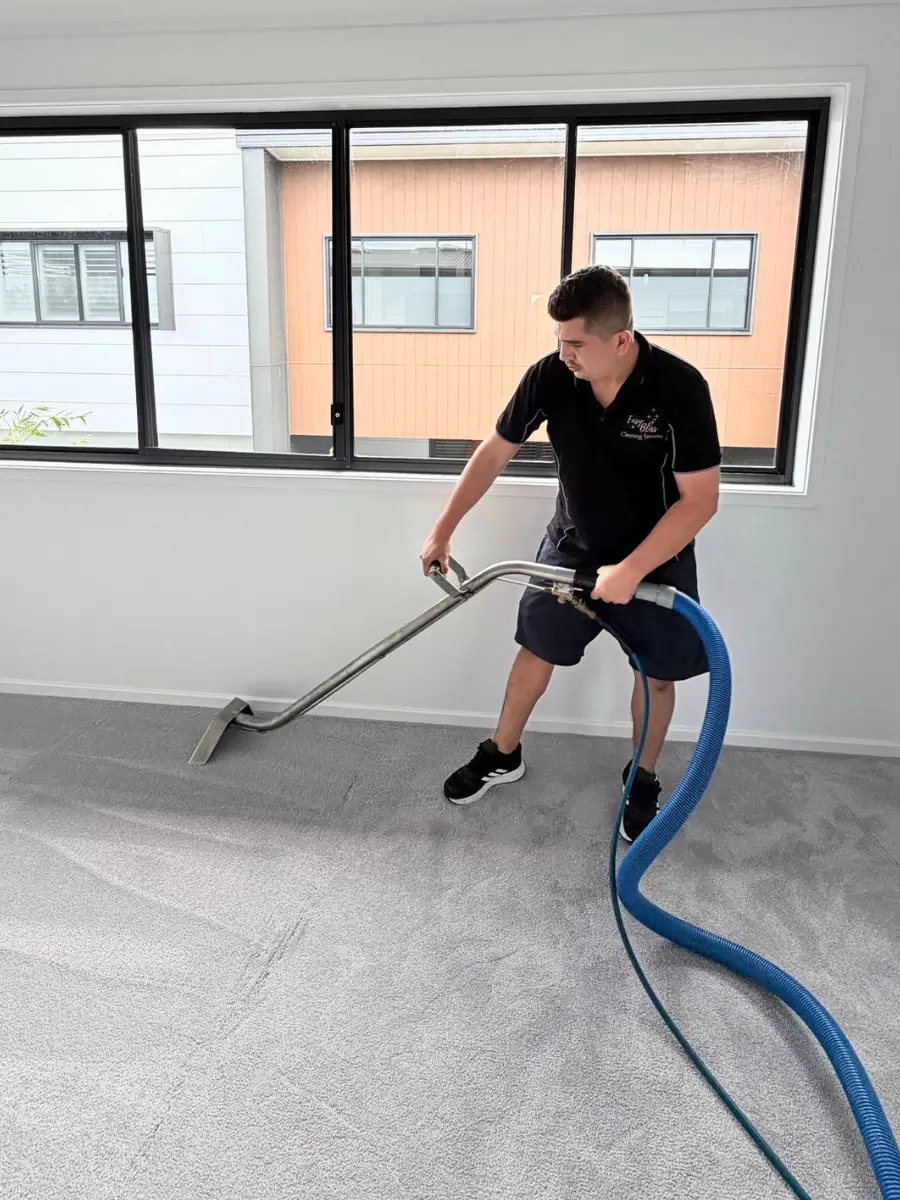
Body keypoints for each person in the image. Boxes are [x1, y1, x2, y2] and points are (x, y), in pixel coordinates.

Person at [419, 265, 721, 842]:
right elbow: (494, 452)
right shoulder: (553, 377)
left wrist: (632, 570)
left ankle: (644, 776)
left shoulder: (679, 388)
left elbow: (700, 501)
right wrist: (444, 529)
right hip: (569, 548)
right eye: (558, 341)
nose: (565, 354)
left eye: (576, 342)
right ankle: (503, 753)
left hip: (655, 560)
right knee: (535, 652)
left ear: (621, 340)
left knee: (656, 677)